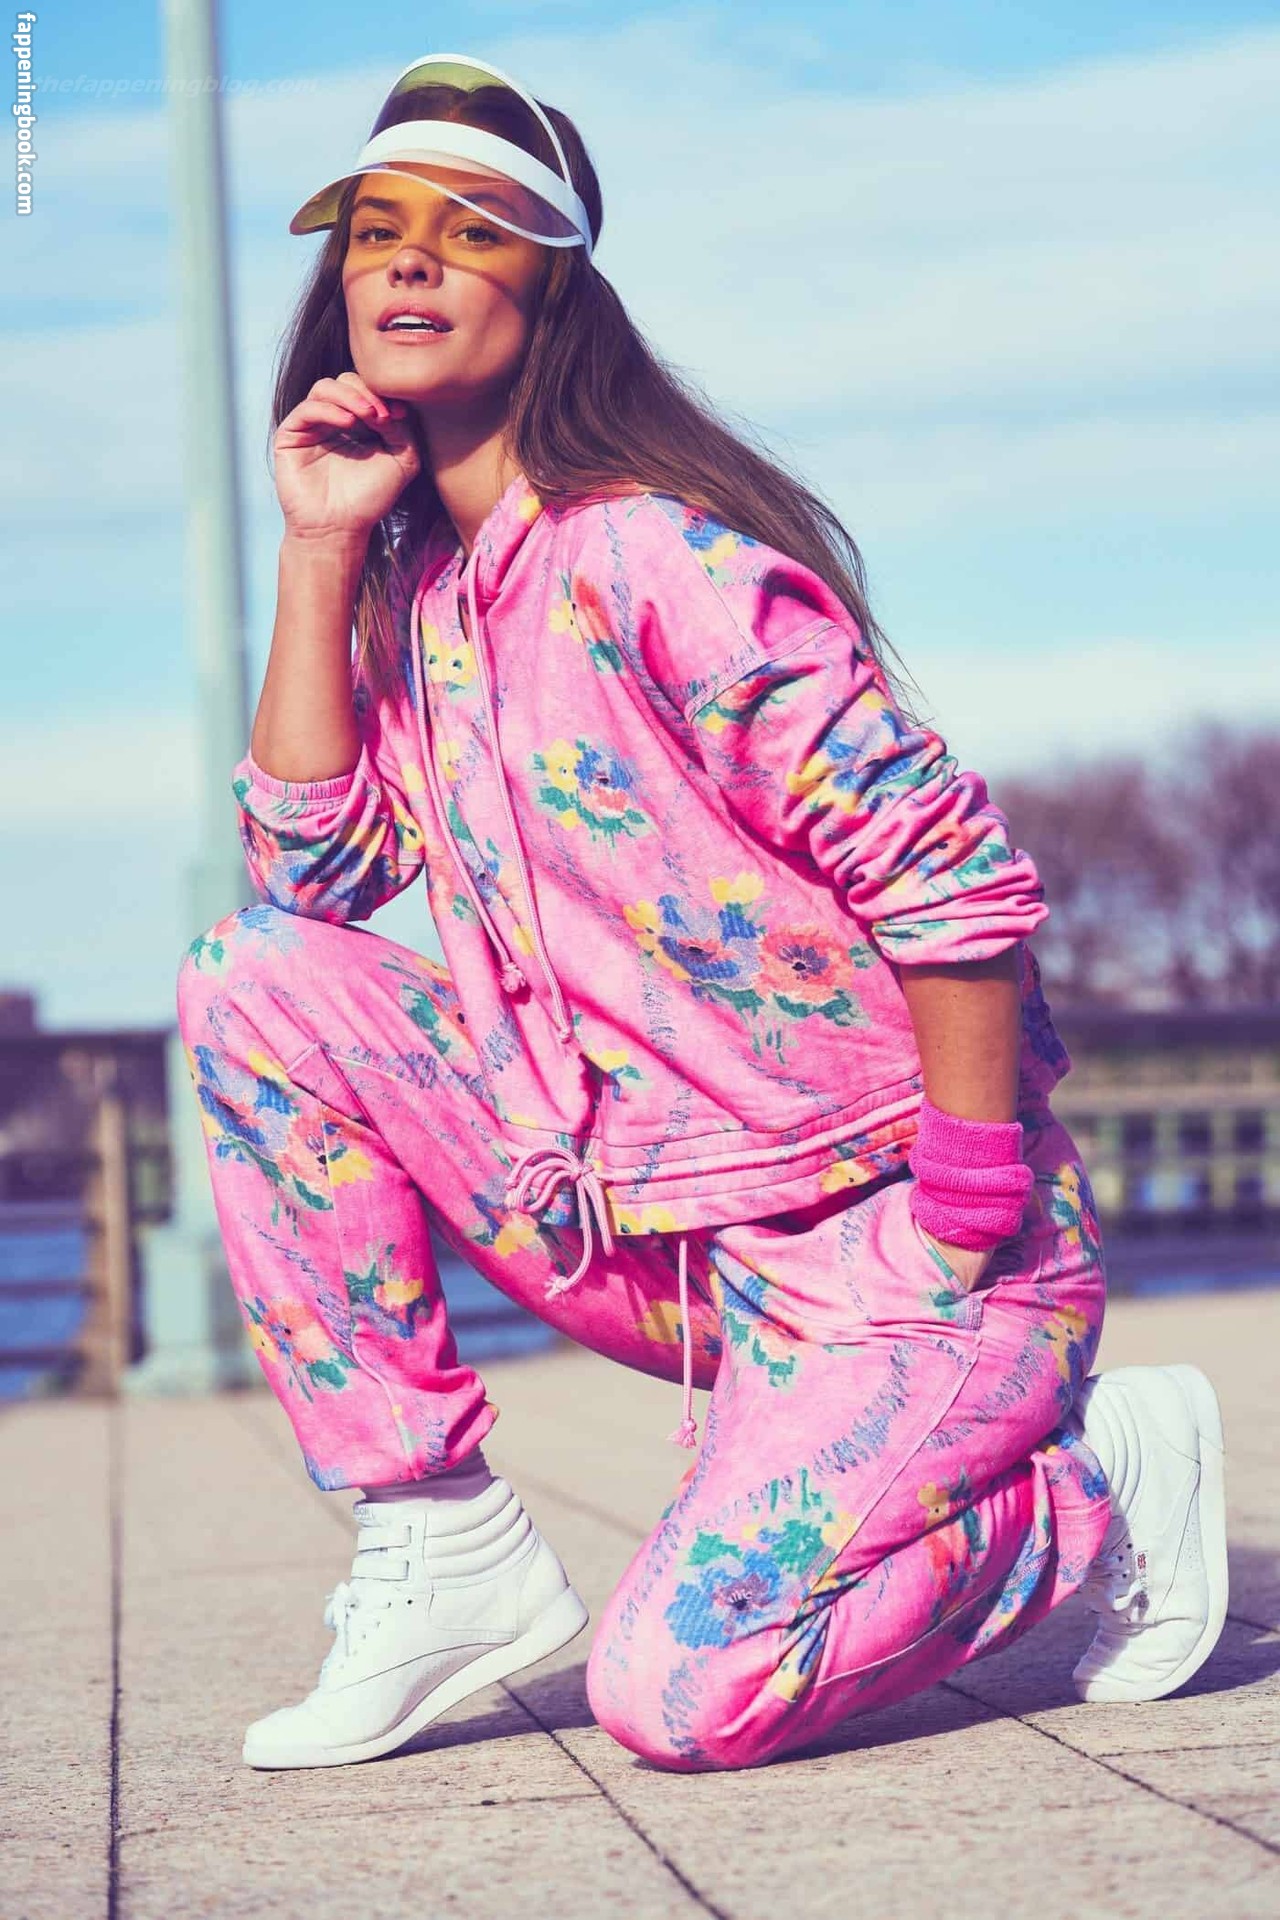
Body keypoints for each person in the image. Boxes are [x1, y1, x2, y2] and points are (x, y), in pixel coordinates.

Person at [176, 52, 1229, 1773]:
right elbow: (312, 881)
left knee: (681, 1694)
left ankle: (1093, 1488)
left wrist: (964, 1209)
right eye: (375, 230)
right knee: (254, 979)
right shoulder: (423, 601)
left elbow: (947, 873)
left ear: (554, 284)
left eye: (473, 228)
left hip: (908, 1247)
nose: (411, 257)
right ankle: (434, 1536)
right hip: (663, 1249)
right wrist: (317, 548)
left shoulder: (657, 559)